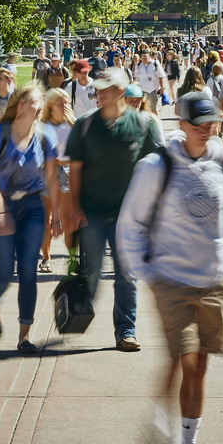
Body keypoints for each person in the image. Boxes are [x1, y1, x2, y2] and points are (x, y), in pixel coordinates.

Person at [117, 92, 223, 444]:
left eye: (210, 123)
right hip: (172, 279)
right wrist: (145, 272)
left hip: (216, 279)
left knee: (196, 368)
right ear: (181, 124)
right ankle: (177, 438)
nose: (205, 130)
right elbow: (131, 224)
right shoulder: (155, 166)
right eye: (197, 123)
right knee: (188, 357)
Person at [66, 67, 164, 351]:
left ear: (121, 92)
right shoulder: (84, 124)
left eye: (106, 89)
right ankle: (76, 315)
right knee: (91, 274)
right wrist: (74, 209)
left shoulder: (143, 125)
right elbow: (75, 170)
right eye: (98, 89)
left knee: (126, 276)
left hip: (129, 218)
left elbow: (156, 169)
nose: (99, 93)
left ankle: (126, 331)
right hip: (92, 213)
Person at [0, 84, 60, 354]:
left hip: (34, 205)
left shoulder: (46, 135)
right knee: (5, 271)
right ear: (22, 104)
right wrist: (0, 211)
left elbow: (51, 178)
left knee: (28, 271)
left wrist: (56, 215)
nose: (41, 108)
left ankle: (24, 335)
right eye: (37, 102)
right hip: (3, 204)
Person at [39, 87, 75, 273]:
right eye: (60, 103)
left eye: (67, 103)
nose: (64, 106)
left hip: (69, 172)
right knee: (48, 220)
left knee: (69, 220)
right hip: (49, 173)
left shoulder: (73, 125)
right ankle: (46, 258)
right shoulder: (43, 126)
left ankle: (72, 258)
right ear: (51, 105)